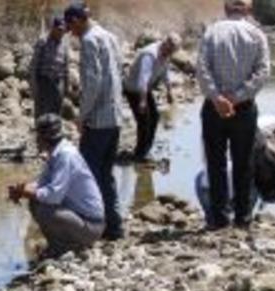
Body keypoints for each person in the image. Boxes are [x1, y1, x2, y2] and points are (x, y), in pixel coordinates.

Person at [197, 0, 271, 229]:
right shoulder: (257, 35)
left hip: (214, 108)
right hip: (244, 108)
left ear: (226, 9)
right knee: (243, 163)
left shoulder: (211, 32)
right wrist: (237, 97)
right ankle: (242, 217)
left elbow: (201, 68)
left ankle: (219, 218)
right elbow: (263, 72)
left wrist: (217, 97)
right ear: (248, 10)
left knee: (215, 163)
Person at [64, 3, 124, 240]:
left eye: (71, 26)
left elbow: (92, 83)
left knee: (88, 175)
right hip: (115, 117)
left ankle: (94, 225)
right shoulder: (109, 36)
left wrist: (81, 116)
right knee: (106, 175)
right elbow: (118, 71)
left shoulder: (89, 41)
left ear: (78, 20)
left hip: (98, 121)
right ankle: (114, 227)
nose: (71, 32)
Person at [8, 114, 105, 259]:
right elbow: (43, 184)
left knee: (45, 210)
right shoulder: (57, 153)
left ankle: (66, 247)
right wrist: (21, 189)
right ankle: (58, 244)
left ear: (42, 138)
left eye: (38, 136)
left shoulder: (65, 156)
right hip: (81, 220)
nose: (36, 141)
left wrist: (27, 192)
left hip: (91, 227)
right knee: (36, 201)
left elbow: (53, 196)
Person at [124, 33, 181, 162]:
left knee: (154, 117)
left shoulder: (166, 54)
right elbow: (143, 79)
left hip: (145, 89)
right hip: (133, 89)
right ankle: (139, 154)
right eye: (170, 50)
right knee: (144, 120)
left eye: (173, 51)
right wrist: (143, 101)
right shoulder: (149, 54)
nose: (170, 54)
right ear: (166, 44)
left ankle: (145, 150)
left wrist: (169, 91)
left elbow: (165, 71)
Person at [29, 16, 70, 119]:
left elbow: (66, 67)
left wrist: (66, 87)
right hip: (44, 83)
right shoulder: (43, 41)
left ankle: (55, 134)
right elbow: (34, 65)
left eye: (63, 30)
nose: (61, 33)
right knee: (41, 114)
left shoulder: (64, 44)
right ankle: (40, 134)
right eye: (59, 30)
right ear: (53, 28)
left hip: (58, 84)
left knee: (56, 114)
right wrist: (34, 86)